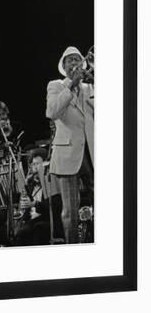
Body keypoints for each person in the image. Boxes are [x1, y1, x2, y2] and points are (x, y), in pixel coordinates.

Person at [46, 46, 94, 243]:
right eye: (70, 60)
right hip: (68, 154)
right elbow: (52, 112)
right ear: (63, 66)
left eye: (78, 60)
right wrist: (71, 84)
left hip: (92, 152)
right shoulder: (56, 85)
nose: (75, 63)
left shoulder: (90, 87)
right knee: (70, 212)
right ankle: (72, 247)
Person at [14, 148, 63, 246]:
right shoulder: (31, 184)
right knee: (18, 234)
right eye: (33, 164)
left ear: (46, 164)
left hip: (49, 221)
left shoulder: (51, 180)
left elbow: (56, 207)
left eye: (38, 164)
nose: (35, 168)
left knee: (37, 229)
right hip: (33, 221)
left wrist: (34, 204)